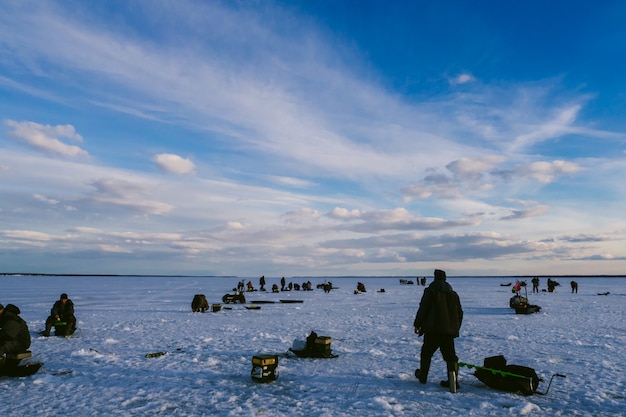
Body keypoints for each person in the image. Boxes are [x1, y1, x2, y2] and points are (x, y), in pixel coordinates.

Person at [413, 269, 463, 388]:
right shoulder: (453, 294)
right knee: (450, 357)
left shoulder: (430, 291)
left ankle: (423, 376)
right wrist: (454, 327)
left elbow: (423, 308)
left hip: (432, 330)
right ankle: (453, 381)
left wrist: (417, 324)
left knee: (426, 354)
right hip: (448, 331)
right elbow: (459, 313)